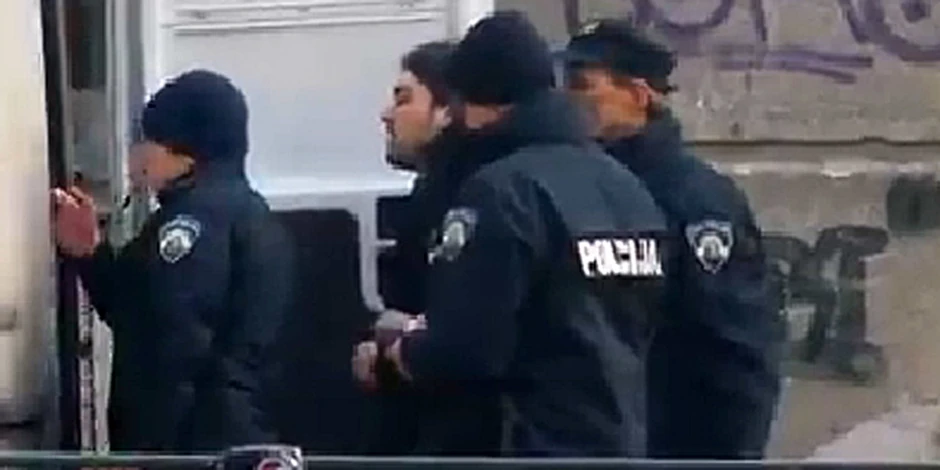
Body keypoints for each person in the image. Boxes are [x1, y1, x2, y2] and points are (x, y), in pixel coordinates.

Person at [376, 11, 670, 457]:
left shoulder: (501, 191)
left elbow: (465, 349)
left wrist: (401, 349)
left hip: (526, 446)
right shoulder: (625, 187)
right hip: (616, 443)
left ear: (480, 100)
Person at [561, 19, 783, 459]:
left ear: (639, 95)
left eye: (583, 85)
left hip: (673, 443)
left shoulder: (694, 199)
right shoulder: (578, 183)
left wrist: (726, 457)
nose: (567, 99)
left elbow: (734, 347)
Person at [52, 69, 293, 452]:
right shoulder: (247, 212)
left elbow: (171, 342)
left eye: (150, 140)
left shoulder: (189, 224)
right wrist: (92, 255)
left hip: (192, 447)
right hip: (236, 437)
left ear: (184, 153)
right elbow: (140, 307)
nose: (138, 154)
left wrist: (149, 452)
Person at [354, 40, 504, 456]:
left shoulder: (468, 198)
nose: (386, 114)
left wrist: (400, 340)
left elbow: (464, 326)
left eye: (404, 99)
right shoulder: (433, 191)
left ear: (446, 111)